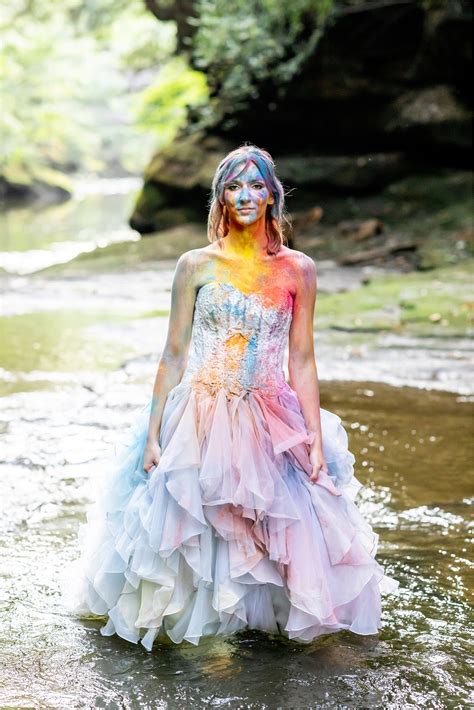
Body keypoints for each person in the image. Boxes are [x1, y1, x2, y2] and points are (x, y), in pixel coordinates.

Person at [66, 143, 398, 652]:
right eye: (234, 186)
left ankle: (266, 632)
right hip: (198, 415)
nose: (245, 195)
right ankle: (208, 642)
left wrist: (312, 435)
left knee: (278, 523)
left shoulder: (298, 269)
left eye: (256, 185)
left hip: (270, 413)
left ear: (271, 197)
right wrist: (153, 435)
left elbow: (302, 360)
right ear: (221, 198)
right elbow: (173, 354)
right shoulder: (194, 265)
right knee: (199, 523)